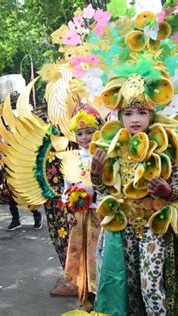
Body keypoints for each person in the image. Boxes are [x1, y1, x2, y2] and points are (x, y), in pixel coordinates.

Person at [91, 60, 178, 315]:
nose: (135, 120)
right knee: (127, 288)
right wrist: (97, 176)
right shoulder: (112, 148)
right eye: (128, 114)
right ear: (119, 117)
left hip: (155, 228)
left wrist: (168, 192)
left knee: (152, 286)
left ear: (151, 114)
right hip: (122, 229)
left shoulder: (167, 147)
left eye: (141, 112)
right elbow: (108, 194)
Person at [60, 103, 102, 310]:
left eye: (89, 132)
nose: (85, 137)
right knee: (80, 253)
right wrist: (68, 209)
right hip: (78, 214)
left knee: (96, 253)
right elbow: (67, 187)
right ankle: (84, 292)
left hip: (98, 213)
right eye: (80, 133)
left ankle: (99, 291)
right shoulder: (71, 159)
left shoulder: (102, 156)